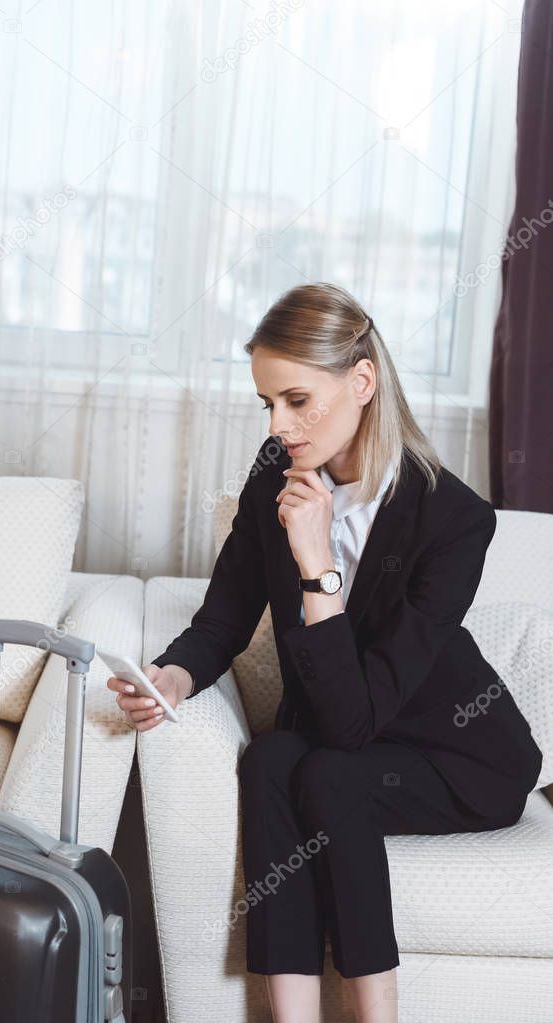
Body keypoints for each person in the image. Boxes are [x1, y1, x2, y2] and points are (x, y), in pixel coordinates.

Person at [107, 282, 543, 1023]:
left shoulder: (453, 520)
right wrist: (172, 676)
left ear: (361, 383)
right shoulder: (272, 474)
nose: (279, 425)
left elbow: (350, 725)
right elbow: (223, 616)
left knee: (328, 770)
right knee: (272, 758)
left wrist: (316, 568)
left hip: (460, 757)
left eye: (296, 399)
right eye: (266, 403)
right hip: (350, 741)